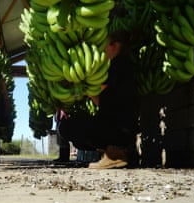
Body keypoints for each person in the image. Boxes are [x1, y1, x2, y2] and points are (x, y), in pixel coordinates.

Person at [57, 30, 140, 169]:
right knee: (71, 130)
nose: (101, 49)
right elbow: (103, 103)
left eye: (104, 44)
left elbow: (98, 89)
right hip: (120, 129)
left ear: (115, 45)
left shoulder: (117, 64)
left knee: (67, 127)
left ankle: (116, 154)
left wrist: (80, 81)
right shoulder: (121, 66)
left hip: (118, 130)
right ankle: (112, 153)